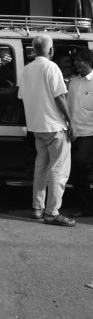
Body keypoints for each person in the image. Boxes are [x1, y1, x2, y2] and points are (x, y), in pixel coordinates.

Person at [18, 33, 75, 226]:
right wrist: (70, 122)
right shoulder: (52, 67)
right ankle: (52, 212)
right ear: (51, 50)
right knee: (59, 170)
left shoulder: (26, 70)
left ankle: (37, 208)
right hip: (54, 126)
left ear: (34, 49)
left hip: (37, 127)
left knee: (41, 168)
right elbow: (60, 97)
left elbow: (22, 97)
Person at [67, 47, 93, 217]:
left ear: (88, 62)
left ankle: (87, 207)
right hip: (71, 132)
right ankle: (84, 206)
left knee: (80, 164)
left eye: (78, 61)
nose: (76, 64)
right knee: (75, 170)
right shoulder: (73, 81)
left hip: (89, 132)